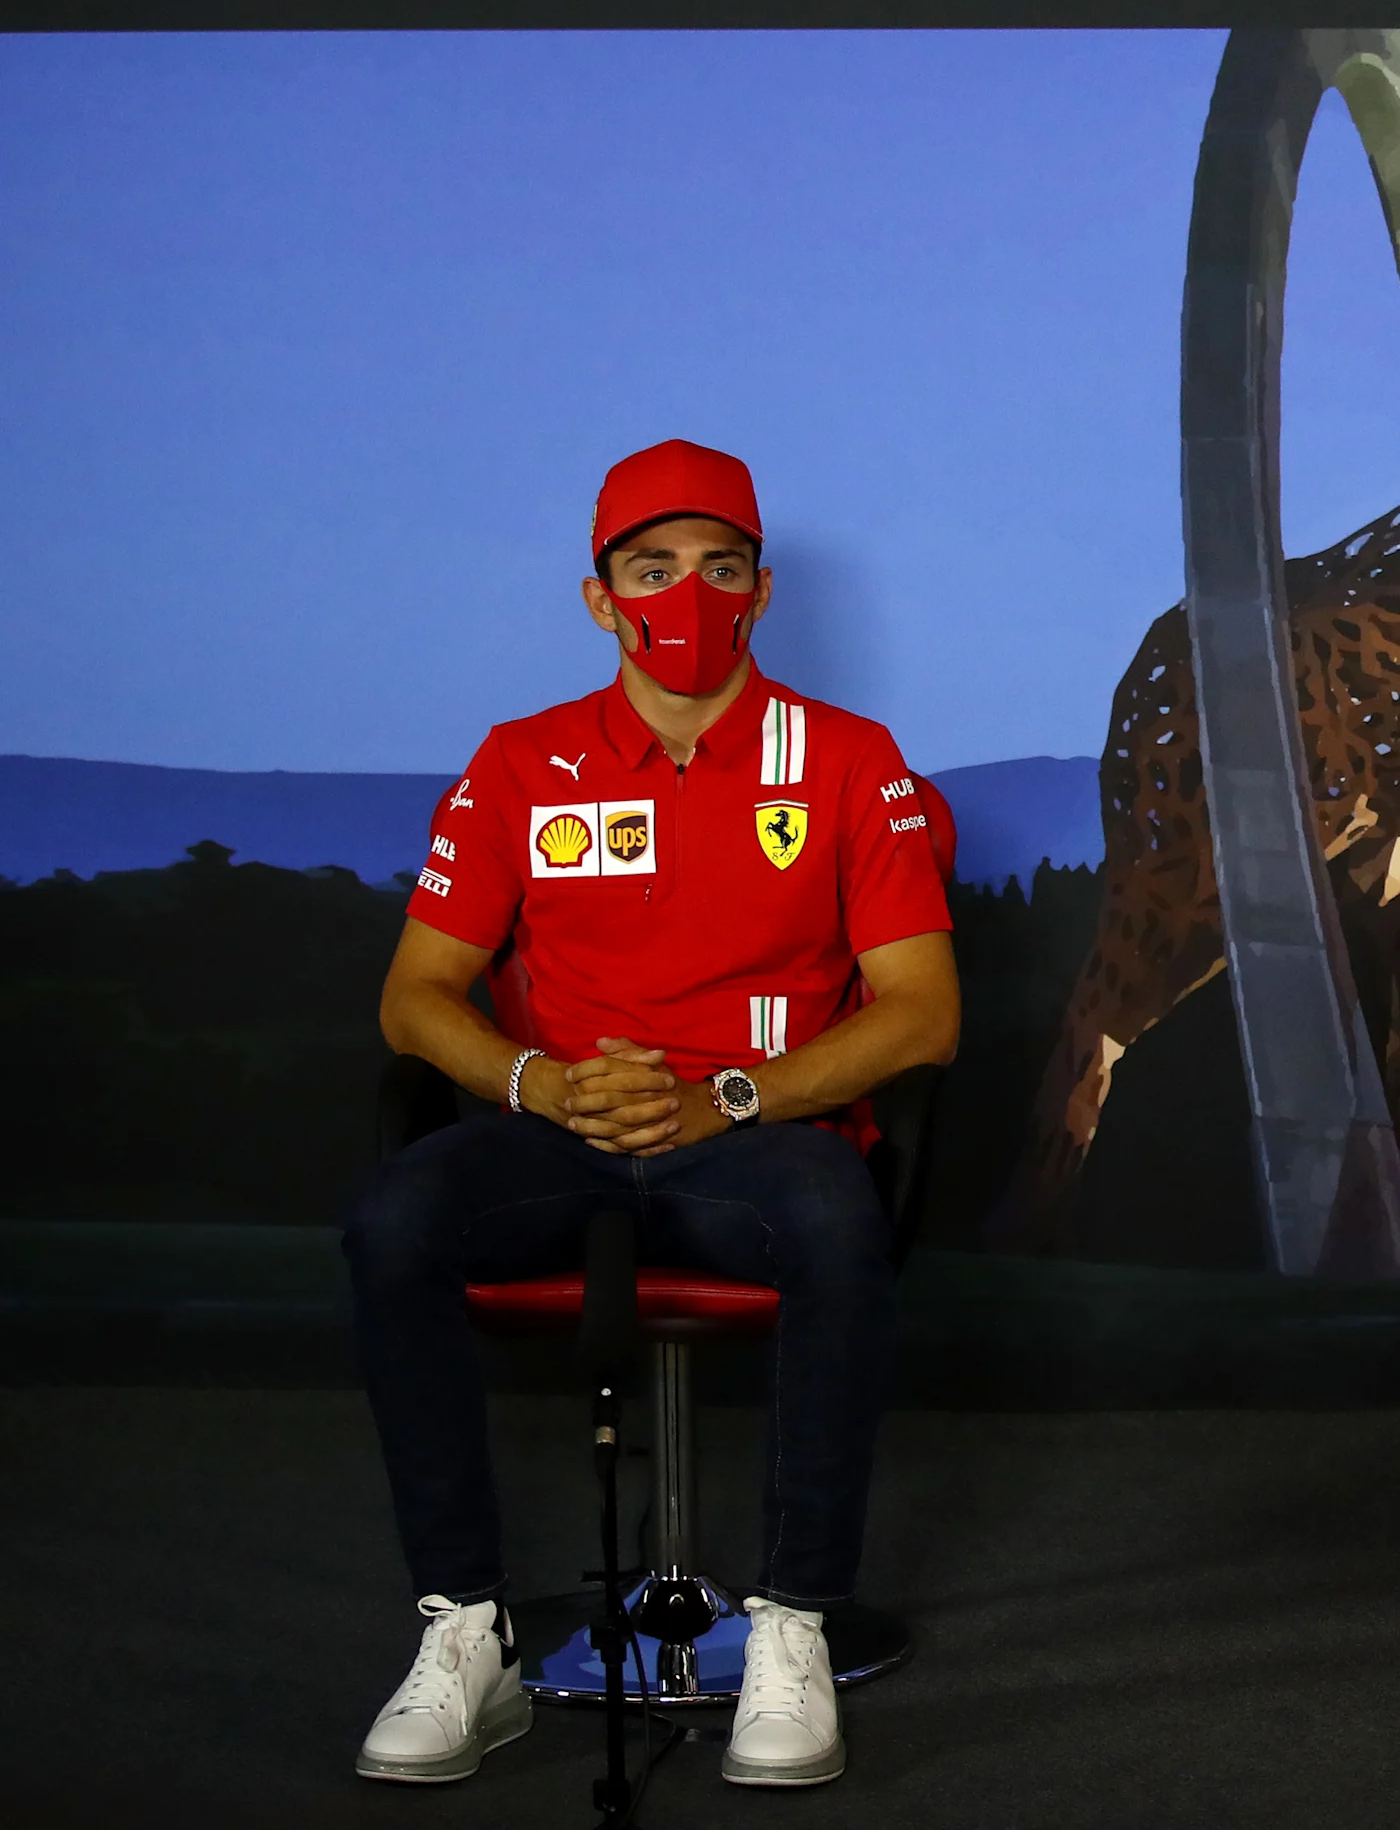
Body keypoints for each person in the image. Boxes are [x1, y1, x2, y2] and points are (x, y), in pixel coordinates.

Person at [343, 439, 958, 1789]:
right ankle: (468, 1632)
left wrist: (721, 1098)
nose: (687, 596)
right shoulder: (522, 763)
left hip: (755, 1136)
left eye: (719, 568)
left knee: (836, 1222)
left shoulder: (851, 762)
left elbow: (921, 1013)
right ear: (600, 597)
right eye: (653, 569)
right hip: (560, 1130)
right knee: (397, 1218)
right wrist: (540, 1083)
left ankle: (790, 1625)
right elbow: (418, 997)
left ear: (761, 589)